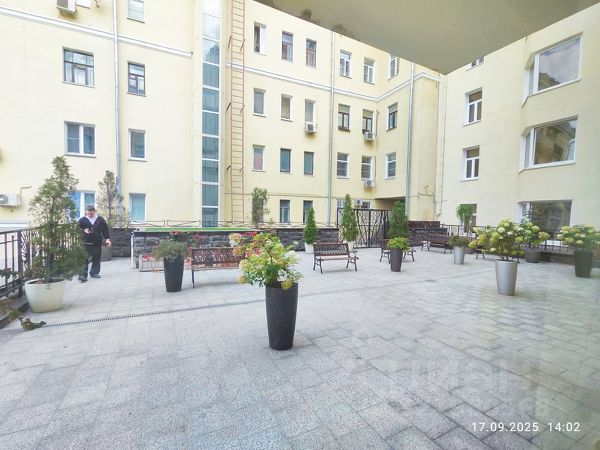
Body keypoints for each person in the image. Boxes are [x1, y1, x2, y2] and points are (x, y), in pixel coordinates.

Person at [78, 205, 111, 282]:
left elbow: (105, 230)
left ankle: (94, 273)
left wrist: (107, 239)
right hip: (85, 242)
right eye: (88, 213)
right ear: (86, 212)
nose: (89, 215)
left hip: (96, 242)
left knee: (96, 258)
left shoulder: (100, 220)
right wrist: (83, 231)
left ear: (94, 212)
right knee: (83, 259)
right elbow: (77, 229)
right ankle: (82, 275)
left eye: (91, 213)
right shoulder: (82, 220)